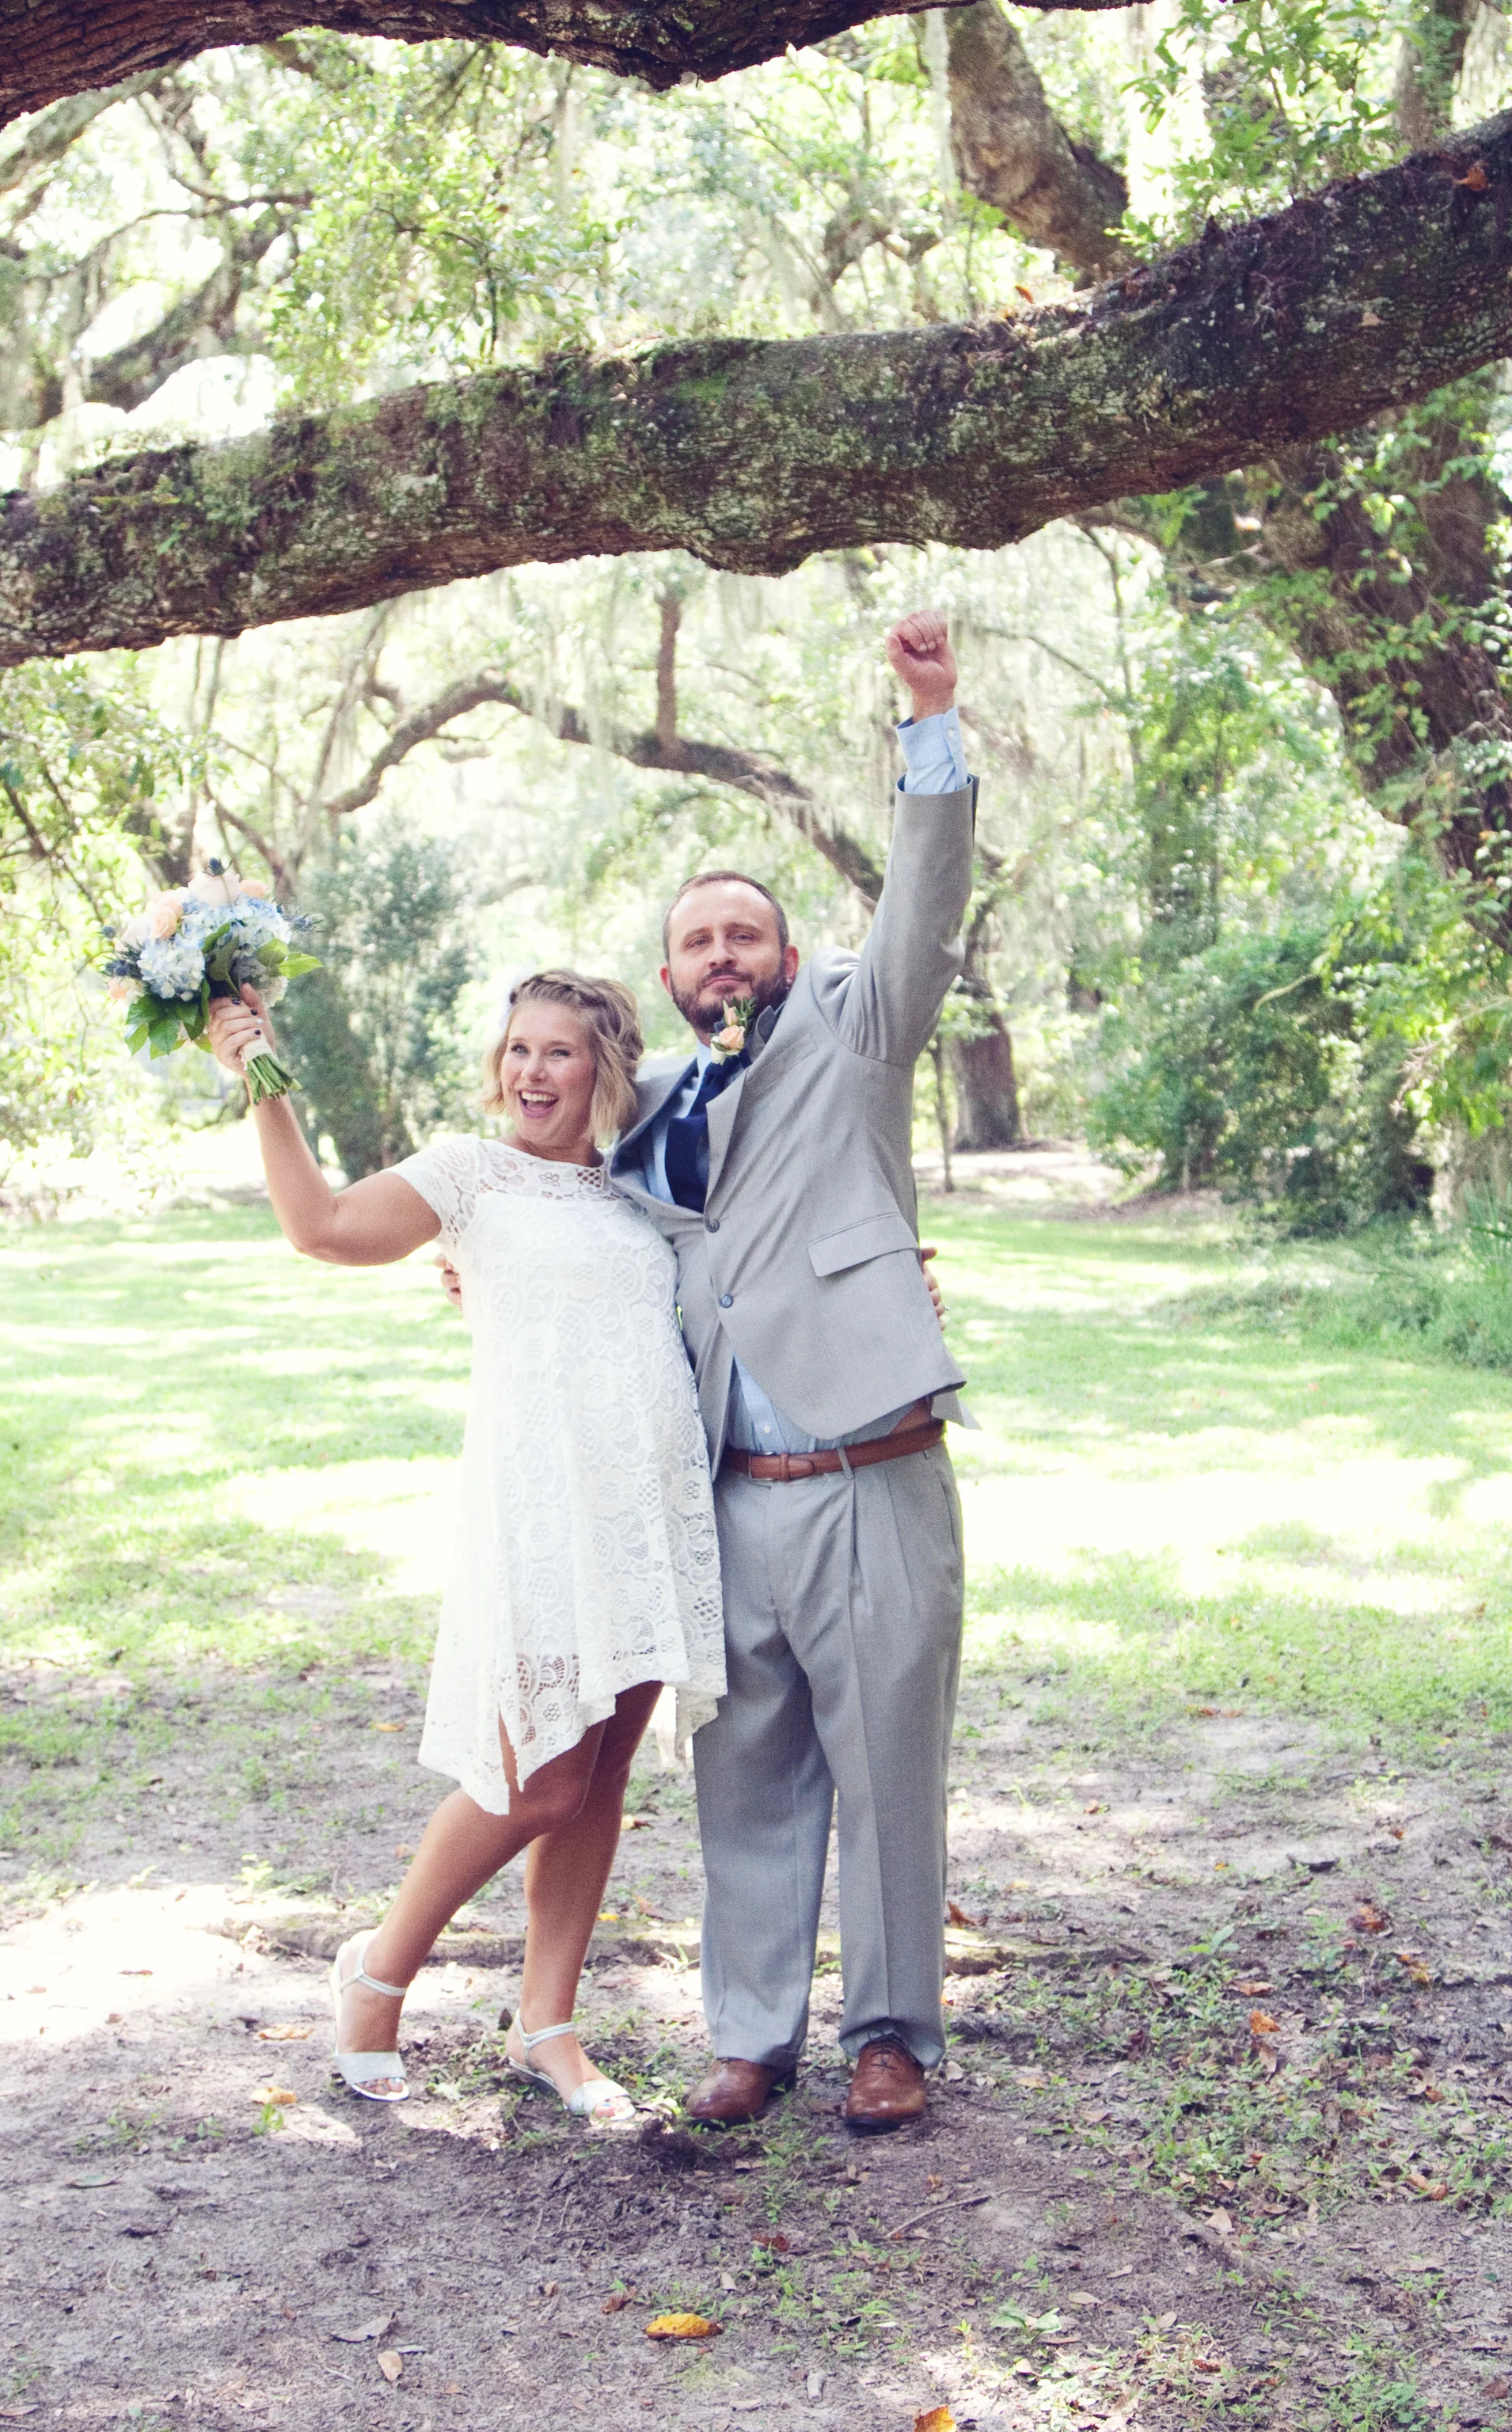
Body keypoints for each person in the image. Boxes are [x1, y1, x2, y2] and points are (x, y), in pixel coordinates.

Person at [206, 969, 725, 2125]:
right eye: (519, 1050)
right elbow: (324, 1228)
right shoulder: (467, 1175)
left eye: (562, 1053)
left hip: (645, 1507)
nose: (533, 1072)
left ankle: (548, 2023)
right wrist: (262, 1083)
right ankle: (377, 1971)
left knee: (595, 1784)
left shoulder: (640, 1189)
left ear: (605, 1071)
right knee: (533, 1779)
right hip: (542, 1511)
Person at [611, 606, 978, 2134]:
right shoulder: (643, 1104)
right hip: (728, 1492)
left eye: (742, 932)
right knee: (746, 1777)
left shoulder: (856, 1023)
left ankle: (890, 2034)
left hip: (868, 1471)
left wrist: (929, 723)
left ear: (788, 951)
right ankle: (751, 2036)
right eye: (697, 941)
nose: (721, 957)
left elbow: (926, 904)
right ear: (673, 972)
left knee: (888, 1769)